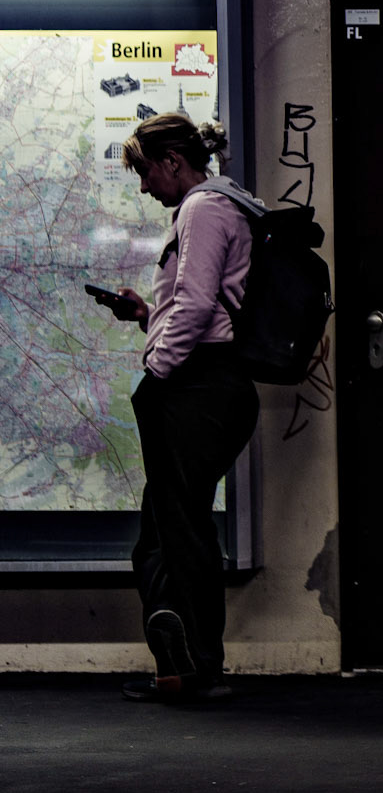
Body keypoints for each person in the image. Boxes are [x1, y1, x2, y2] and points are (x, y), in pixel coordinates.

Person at [102, 114, 264, 704]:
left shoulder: (201, 208)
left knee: (179, 528)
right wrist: (148, 316)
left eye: (145, 172)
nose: (145, 187)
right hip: (209, 384)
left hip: (197, 387)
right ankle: (182, 657)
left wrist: (155, 371)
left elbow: (196, 306)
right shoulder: (219, 206)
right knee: (167, 531)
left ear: (172, 160)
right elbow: (201, 307)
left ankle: (196, 662)